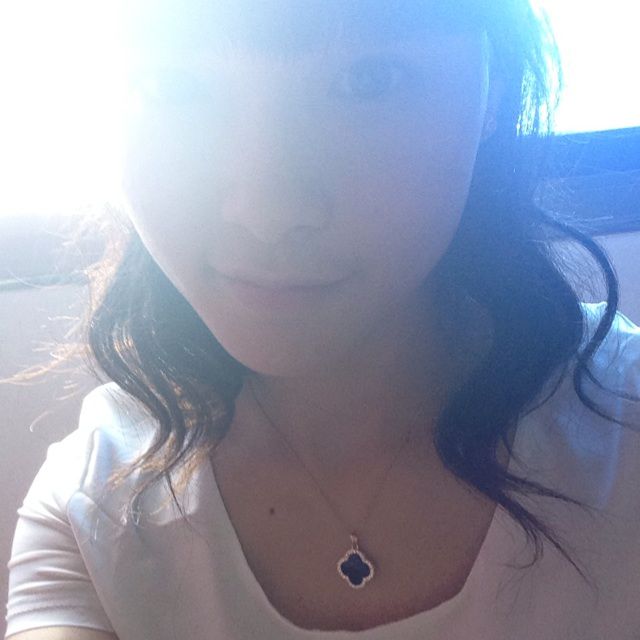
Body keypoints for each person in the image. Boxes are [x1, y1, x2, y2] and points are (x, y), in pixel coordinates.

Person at [4, 1, 640, 639]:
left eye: (370, 80)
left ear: (492, 88)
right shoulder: (95, 510)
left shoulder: (624, 426)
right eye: (171, 85)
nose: (267, 214)